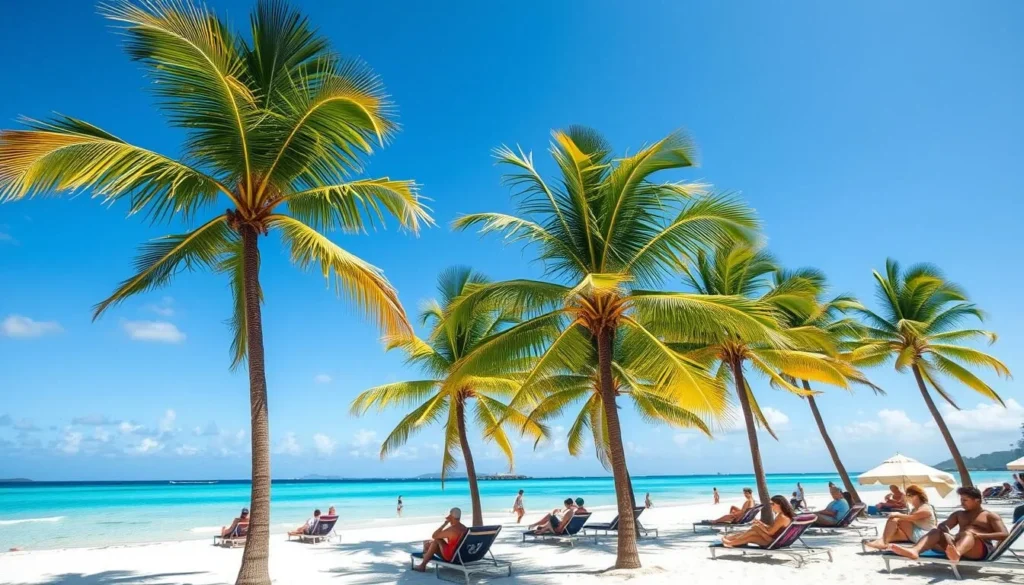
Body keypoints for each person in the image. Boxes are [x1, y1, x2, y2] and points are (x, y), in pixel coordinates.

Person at [890, 486, 1009, 564]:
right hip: (957, 543)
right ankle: (915, 551)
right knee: (935, 531)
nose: (962, 503)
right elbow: (944, 525)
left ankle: (956, 554)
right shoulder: (959, 514)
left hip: (979, 549)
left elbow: (1004, 534)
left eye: (965, 500)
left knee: (968, 533)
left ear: (977, 500)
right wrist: (944, 529)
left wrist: (978, 535)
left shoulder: (990, 516)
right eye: (961, 500)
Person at [864, 484, 936, 550]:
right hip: (916, 534)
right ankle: (882, 541)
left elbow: (913, 517)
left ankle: (883, 542)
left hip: (925, 536)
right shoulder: (915, 509)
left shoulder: (925, 507)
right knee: (892, 532)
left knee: (897, 519)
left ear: (917, 496)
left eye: (909, 496)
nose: (908, 499)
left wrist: (897, 514)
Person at [722, 495, 794, 548]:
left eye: (772, 504)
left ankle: (731, 542)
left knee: (755, 529)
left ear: (780, 504)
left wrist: (760, 526)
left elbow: (771, 532)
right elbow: (773, 528)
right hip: (773, 539)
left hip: (772, 541)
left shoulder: (782, 517)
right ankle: (733, 540)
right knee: (752, 533)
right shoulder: (782, 515)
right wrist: (761, 524)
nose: (771, 506)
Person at [412, 507, 467, 572]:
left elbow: (434, 536)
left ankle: (423, 564)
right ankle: (425, 556)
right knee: (428, 542)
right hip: (460, 555)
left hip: (451, 556)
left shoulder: (452, 529)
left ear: (451, 516)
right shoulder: (464, 528)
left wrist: (444, 524)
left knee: (435, 541)